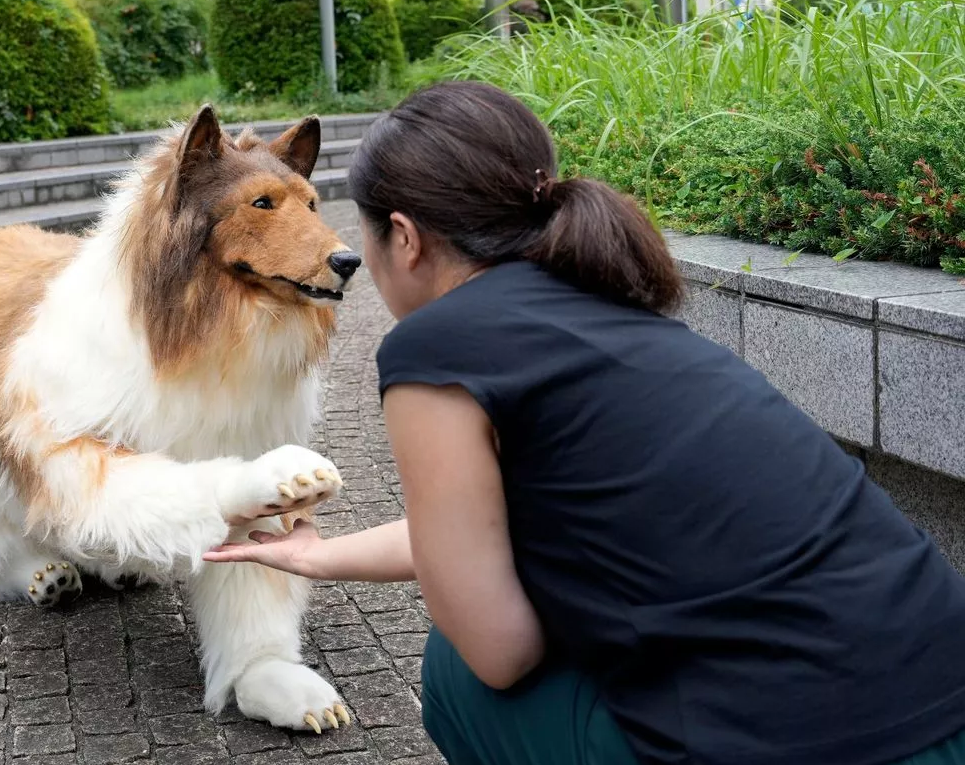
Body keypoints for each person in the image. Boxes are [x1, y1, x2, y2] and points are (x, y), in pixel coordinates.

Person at [203, 81, 965, 765]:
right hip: (942, 695)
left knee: (458, 673)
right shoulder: (606, 302)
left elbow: (501, 650)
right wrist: (318, 554)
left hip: (813, 740)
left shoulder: (437, 347)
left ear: (403, 236)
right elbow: (472, 528)